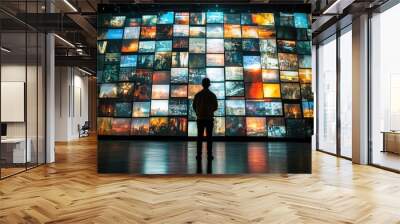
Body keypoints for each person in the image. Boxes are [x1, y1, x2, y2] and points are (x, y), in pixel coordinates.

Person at [193, 78, 218, 161]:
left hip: (200, 118)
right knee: (209, 138)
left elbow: (194, 106)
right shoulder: (212, 95)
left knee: (199, 137)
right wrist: (210, 111)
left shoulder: (197, 95)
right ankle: (209, 155)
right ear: (209, 84)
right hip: (209, 119)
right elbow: (215, 107)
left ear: (202, 84)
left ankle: (199, 155)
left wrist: (198, 112)